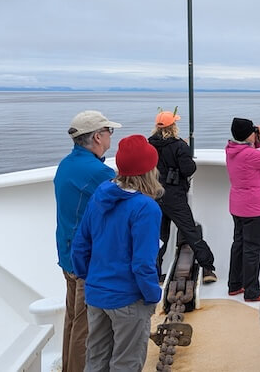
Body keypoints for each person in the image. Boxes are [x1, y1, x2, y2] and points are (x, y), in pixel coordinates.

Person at [71, 134, 163, 372]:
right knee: (126, 362)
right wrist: (153, 295)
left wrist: (88, 278)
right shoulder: (146, 207)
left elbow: (81, 244)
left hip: (97, 294)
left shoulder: (101, 193)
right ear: (149, 170)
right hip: (128, 298)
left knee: (96, 358)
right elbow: (143, 263)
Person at [54, 110, 120, 372]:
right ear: (96, 137)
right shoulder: (98, 172)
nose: (111, 136)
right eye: (109, 132)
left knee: (72, 321)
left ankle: (68, 366)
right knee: (86, 328)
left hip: (68, 256)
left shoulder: (66, 164)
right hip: (85, 262)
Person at [148, 109, 217, 284]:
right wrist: (184, 151)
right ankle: (208, 267)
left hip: (154, 194)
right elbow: (188, 169)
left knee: (158, 236)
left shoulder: (149, 145)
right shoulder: (179, 146)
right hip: (174, 196)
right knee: (190, 231)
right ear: (173, 126)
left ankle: (154, 273)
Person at [226, 117, 260, 302]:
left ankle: (235, 284)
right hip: (254, 208)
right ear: (249, 135)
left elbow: (254, 156)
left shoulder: (232, 150)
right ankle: (252, 291)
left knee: (239, 244)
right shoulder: (250, 155)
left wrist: (255, 141)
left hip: (238, 206)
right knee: (253, 249)